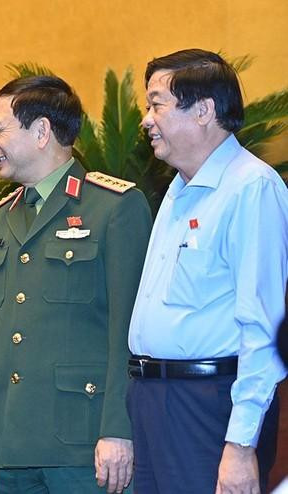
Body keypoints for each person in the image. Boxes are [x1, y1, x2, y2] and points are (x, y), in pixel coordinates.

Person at [0, 75, 152, 494]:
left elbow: (130, 333)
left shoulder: (114, 207)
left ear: (41, 131)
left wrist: (119, 429)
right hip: (10, 443)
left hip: (85, 444)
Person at [127, 48, 288, 494]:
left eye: (156, 104)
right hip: (154, 403)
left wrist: (240, 444)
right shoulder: (177, 191)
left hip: (208, 406)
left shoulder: (251, 188)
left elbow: (264, 327)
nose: (146, 119)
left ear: (203, 111)